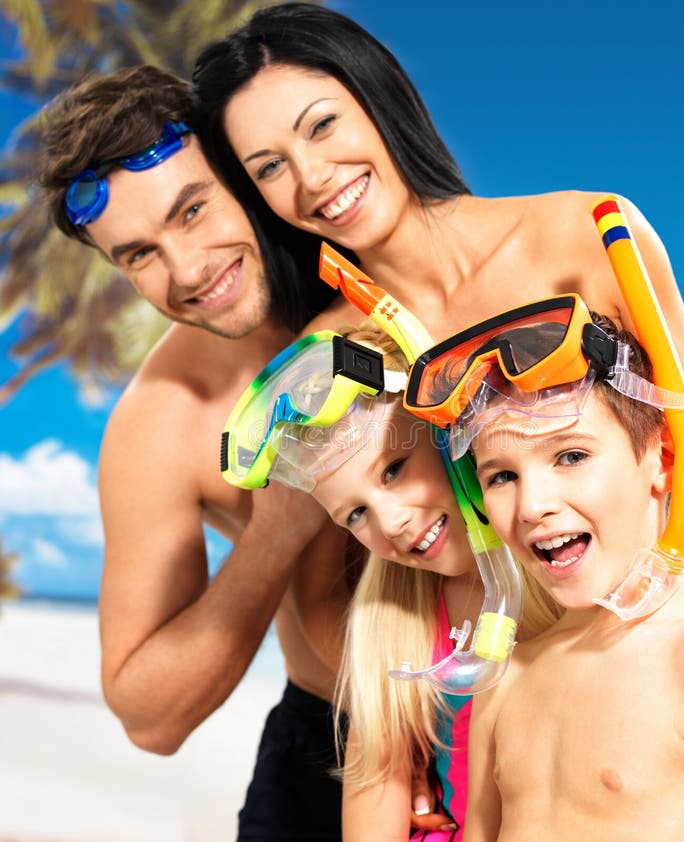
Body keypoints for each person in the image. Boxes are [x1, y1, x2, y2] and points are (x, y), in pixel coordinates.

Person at [192, 1, 684, 608]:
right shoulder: (332, 353)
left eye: (321, 126)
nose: (313, 176)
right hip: (504, 684)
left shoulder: (585, 235)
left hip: (650, 640)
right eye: (270, 167)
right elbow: (330, 599)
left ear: (379, 99)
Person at [37, 65, 354, 841]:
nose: (186, 272)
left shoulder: (386, 273)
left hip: (531, 709)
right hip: (334, 749)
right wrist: (280, 522)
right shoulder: (165, 421)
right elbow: (149, 716)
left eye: (193, 209)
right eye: (138, 254)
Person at [410, 309, 684, 841]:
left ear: (661, 459)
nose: (533, 505)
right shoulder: (508, 677)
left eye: (571, 455)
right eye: (502, 476)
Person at [221, 319, 562, 840]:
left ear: (448, 426)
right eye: (355, 514)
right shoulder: (390, 631)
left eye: (393, 469)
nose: (391, 522)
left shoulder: (571, 576)